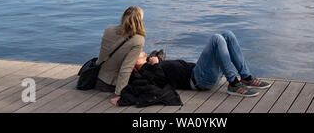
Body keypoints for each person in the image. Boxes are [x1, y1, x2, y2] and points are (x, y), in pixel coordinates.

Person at [111, 30, 271, 105]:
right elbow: (155, 84)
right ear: (134, 63)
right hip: (198, 80)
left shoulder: (151, 62)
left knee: (227, 35)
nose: (142, 51)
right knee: (216, 38)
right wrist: (156, 65)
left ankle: (246, 77)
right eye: (138, 53)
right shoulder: (145, 72)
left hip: (201, 72)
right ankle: (233, 84)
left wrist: (157, 60)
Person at [95, 6, 146, 103]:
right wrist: (120, 93)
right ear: (140, 20)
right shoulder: (138, 39)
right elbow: (126, 68)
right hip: (112, 85)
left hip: (99, 79)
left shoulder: (108, 29)